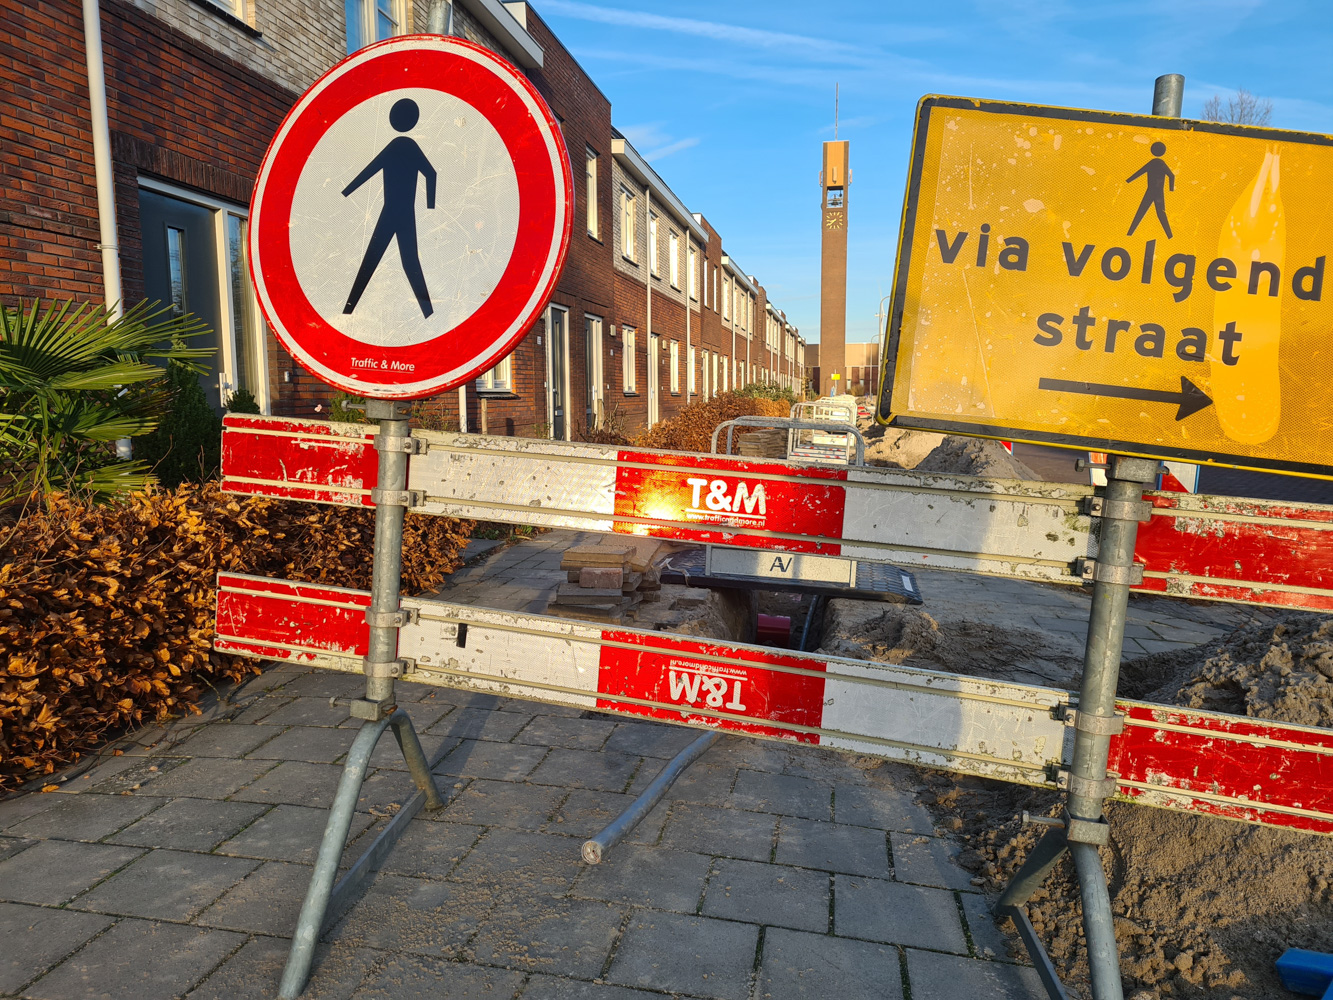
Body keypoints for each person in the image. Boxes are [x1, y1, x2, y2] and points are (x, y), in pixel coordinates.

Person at [342, 97, 437, 318]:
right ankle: (429, 313)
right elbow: (430, 174)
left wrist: (347, 191)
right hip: (405, 212)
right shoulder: (409, 146)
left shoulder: (397, 146)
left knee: (372, 260)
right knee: (408, 262)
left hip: (391, 211)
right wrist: (428, 206)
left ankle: (348, 310)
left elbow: (369, 170)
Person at [1126, 141, 1174, 239]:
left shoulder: (1157, 163)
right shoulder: (1158, 163)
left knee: (1155, 213)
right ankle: (1129, 234)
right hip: (1153, 191)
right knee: (1144, 212)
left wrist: (1171, 189)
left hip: (1155, 193)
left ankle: (1170, 236)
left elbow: (1171, 176)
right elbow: (1171, 176)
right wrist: (1128, 181)